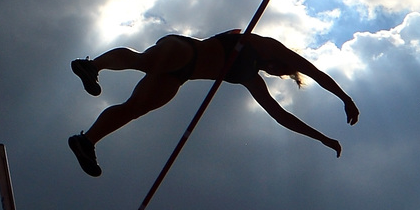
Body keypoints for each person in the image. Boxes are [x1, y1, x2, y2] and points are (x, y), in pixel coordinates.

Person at [67, 31, 357, 177]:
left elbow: (280, 116)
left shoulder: (252, 79)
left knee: (134, 109)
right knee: (145, 61)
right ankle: (93, 66)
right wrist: (345, 98)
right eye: (282, 71)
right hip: (184, 51)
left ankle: (87, 141)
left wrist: (322, 139)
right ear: (282, 62)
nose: (276, 75)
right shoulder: (262, 45)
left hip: (180, 77)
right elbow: (315, 73)